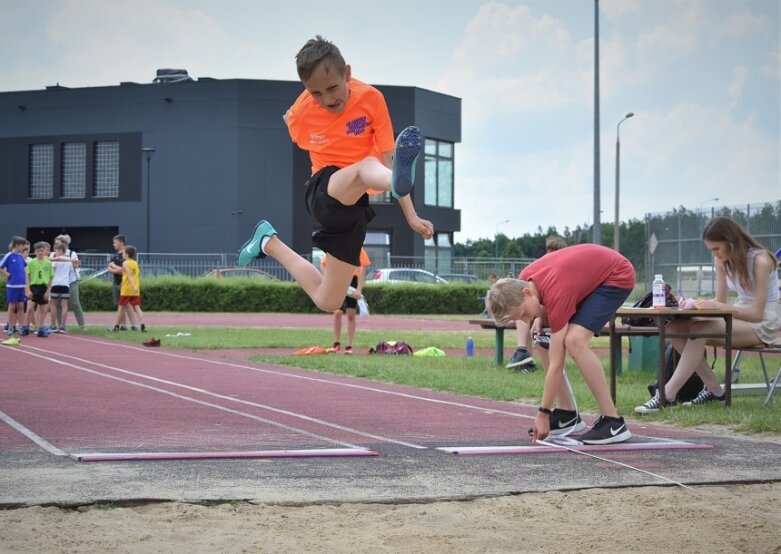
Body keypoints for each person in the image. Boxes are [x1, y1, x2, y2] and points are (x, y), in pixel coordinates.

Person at [236, 35, 434, 314]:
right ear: (305, 90)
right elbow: (292, 126)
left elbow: (390, 158)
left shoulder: (371, 99)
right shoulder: (302, 113)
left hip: (355, 206)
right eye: (315, 93)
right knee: (366, 166)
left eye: (332, 88)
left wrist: (411, 216)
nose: (327, 99)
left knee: (328, 301)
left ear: (347, 73)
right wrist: (294, 115)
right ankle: (390, 181)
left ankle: (268, 242)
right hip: (323, 190)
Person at [487, 243, 635, 445]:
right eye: (519, 319)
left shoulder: (557, 291)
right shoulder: (525, 280)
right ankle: (566, 414)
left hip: (616, 275)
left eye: (523, 314)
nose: (524, 319)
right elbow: (546, 293)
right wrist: (538, 315)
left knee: (574, 342)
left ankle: (614, 422)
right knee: (542, 337)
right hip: (589, 276)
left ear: (526, 293)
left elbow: (557, 364)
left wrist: (543, 412)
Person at [635, 216, 780, 413]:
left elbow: (756, 313)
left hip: (764, 321)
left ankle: (668, 394)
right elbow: (720, 301)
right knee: (673, 327)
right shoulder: (722, 260)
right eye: (712, 250)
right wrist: (695, 304)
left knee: (701, 328)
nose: (715, 254)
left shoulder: (761, 260)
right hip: (737, 313)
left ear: (730, 243)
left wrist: (722, 309)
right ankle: (714, 389)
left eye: (717, 249)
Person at [506, 235, 567, 371]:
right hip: (539, 310)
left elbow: (555, 298)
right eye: (549, 251)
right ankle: (523, 352)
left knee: (529, 316)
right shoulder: (537, 267)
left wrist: (539, 317)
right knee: (523, 311)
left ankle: (526, 353)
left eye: (555, 251)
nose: (550, 255)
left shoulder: (562, 269)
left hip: (555, 311)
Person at [321, 247, 371, 354]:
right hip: (338, 280)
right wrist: (328, 281)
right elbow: (324, 263)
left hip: (352, 281)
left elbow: (362, 267)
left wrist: (359, 288)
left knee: (351, 315)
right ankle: (337, 343)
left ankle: (349, 345)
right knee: (337, 312)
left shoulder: (357, 247)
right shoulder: (337, 245)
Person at [108, 245, 147, 333]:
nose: (122, 255)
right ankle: (143, 325)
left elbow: (129, 275)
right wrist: (135, 287)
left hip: (126, 289)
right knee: (137, 308)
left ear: (127, 254)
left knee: (121, 308)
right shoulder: (135, 263)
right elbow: (125, 271)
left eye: (124, 253)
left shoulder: (125, 263)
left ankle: (116, 327)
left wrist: (132, 285)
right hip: (135, 290)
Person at [54, 234, 86, 331]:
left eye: (58, 243)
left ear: (64, 244)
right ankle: (60, 325)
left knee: (74, 302)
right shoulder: (53, 254)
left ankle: (82, 325)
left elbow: (76, 265)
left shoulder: (72, 253)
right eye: (55, 243)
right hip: (57, 282)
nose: (56, 245)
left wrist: (70, 261)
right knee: (58, 304)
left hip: (71, 281)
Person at [1, 236, 28, 345]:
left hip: (21, 286)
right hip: (12, 285)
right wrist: (6, 274)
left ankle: (21, 326)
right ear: (16, 245)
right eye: (22, 245)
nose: (24, 247)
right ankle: (11, 326)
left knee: (21, 306)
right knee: (12, 306)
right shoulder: (8, 255)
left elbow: (24, 269)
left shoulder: (21, 257)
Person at [24, 241, 54, 337]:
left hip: (43, 287)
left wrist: (47, 291)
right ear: (35, 252)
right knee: (30, 308)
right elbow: (27, 277)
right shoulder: (31, 263)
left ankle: (40, 328)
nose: (40, 252)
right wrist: (28, 290)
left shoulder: (48, 263)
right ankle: (26, 327)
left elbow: (50, 278)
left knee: (43, 309)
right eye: (38, 251)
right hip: (34, 287)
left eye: (41, 250)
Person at [50, 242, 73, 333]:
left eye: (56, 250)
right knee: (64, 305)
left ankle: (53, 325)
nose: (55, 252)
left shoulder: (56, 260)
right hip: (65, 284)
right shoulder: (69, 260)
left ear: (60, 250)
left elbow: (53, 271)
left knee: (53, 304)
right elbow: (70, 272)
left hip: (55, 283)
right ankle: (63, 326)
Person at [108, 234, 128, 330]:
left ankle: (126, 325)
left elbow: (126, 270)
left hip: (124, 283)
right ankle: (123, 325)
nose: (113, 244)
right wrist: (117, 269)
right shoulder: (114, 255)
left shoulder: (127, 254)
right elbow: (109, 268)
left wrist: (115, 268)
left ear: (121, 242)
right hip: (115, 282)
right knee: (118, 304)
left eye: (115, 242)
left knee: (126, 305)